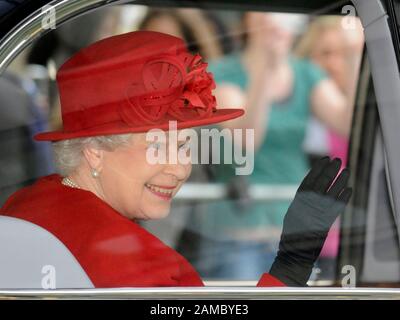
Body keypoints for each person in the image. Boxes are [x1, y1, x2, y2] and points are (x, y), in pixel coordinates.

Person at [0, 31, 351, 287]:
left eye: (184, 146)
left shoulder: (23, 206)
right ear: (95, 149)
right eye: (159, 147)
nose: (181, 168)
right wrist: (291, 265)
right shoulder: (140, 266)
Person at [191, 12, 353, 280]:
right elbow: (245, 146)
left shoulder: (305, 73)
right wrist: (265, 69)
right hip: (239, 235)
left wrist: (354, 51)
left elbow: (348, 123)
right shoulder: (221, 73)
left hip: (294, 237)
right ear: (249, 18)